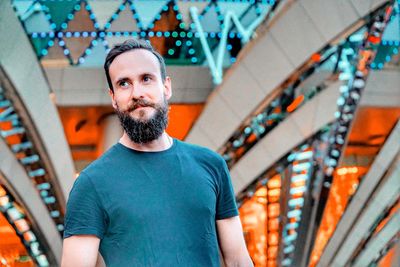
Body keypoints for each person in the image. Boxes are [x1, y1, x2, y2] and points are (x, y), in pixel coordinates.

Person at [61, 39, 253, 267]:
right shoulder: (92, 183)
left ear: (166, 86)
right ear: (113, 98)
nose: (137, 93)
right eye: (124, 84)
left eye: (146, 79)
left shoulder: (211, 165)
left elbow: (239, 261)